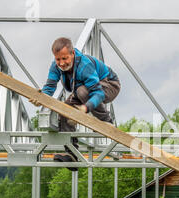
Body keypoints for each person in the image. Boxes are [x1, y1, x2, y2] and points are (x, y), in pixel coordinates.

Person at [30, 37, 120, 170]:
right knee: (65, 110)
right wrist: (40, 98)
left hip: (109, 85)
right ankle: (71, 152)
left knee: (83, 91)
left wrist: (85, 108)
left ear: (72, 54)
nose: (61, 63)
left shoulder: (84, 65)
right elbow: (49, 87)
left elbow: (98, 93)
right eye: (58, 59)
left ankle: (106, 121)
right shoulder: (56, 66)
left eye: (64, 58)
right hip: (82, 90)